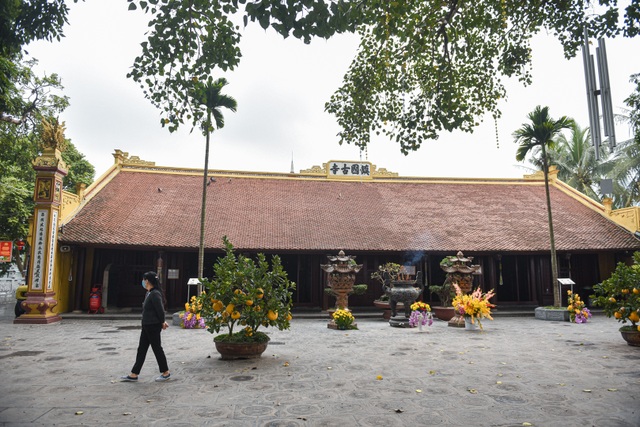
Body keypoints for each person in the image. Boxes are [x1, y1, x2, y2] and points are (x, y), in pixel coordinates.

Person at [121, 271, 171, 382]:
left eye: (144, 280)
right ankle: (134, 374)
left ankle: (165, 372)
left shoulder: (155, 294)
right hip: (146, 325)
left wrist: (162, 322)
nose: (143, 282)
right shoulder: (149, 293)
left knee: (157, 348)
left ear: (147, 281)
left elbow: (160, 310)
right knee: (142, 349)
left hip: (153, 325)